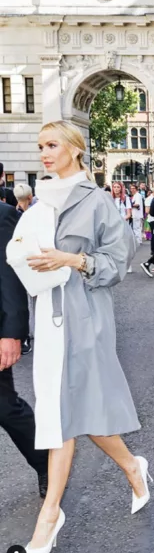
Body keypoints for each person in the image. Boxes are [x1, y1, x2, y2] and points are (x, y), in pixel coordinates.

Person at [5, 121, 150, 553]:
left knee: (65, 412)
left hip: (86, 318)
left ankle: (50, 515)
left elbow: (119, 262)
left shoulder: (97, 200)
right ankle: (132, 466)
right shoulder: (37, 203)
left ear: (74, 149)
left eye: (52, 145)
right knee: (65, 411)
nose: (44, 153)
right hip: (49, 319)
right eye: (41, 146)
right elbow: (21, 254)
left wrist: (74, 259)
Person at [0, 200, 49, 500]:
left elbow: (11, 277)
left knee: (4, 407)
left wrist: (11, 333)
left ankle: (47, 463)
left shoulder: (4, 216)